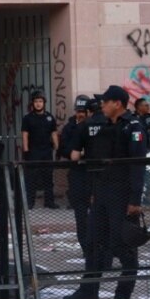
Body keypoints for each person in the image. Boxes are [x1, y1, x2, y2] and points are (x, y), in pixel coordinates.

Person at [63, 85, 147, 299]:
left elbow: (138, 165)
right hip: (102, 193)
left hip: (123, 195)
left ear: (117, 103)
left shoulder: (133, 126)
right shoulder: (106, 127)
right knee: (93, 243)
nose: (102, 105)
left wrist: (135, 200)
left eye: (106, 101)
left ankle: (123, 295)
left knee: (124, 247)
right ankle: (89, 289)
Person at [59, 95, 92, 258]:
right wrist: (75, 152)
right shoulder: (69, 128)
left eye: (83, 111)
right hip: (77, 174)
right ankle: (86, 248)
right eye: (78, 111)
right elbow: (63, 148)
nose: (80, 114)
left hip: (93, 175)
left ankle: (99, 247)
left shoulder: (94, 126)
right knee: (81, 215)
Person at [21, 92, 59, 209]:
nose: (38, 104)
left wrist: (57, 148)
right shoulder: (28, 118)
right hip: (33, 152)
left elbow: (54, 133)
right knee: (31, 178)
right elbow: (25, 135)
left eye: (40, 101)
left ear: (44, 103)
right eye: (36, 101)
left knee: (48, 177)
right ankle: (29, 202)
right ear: (33, 103)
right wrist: (26, 151)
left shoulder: (49, 117)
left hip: (46, 151)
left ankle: (49, 202)